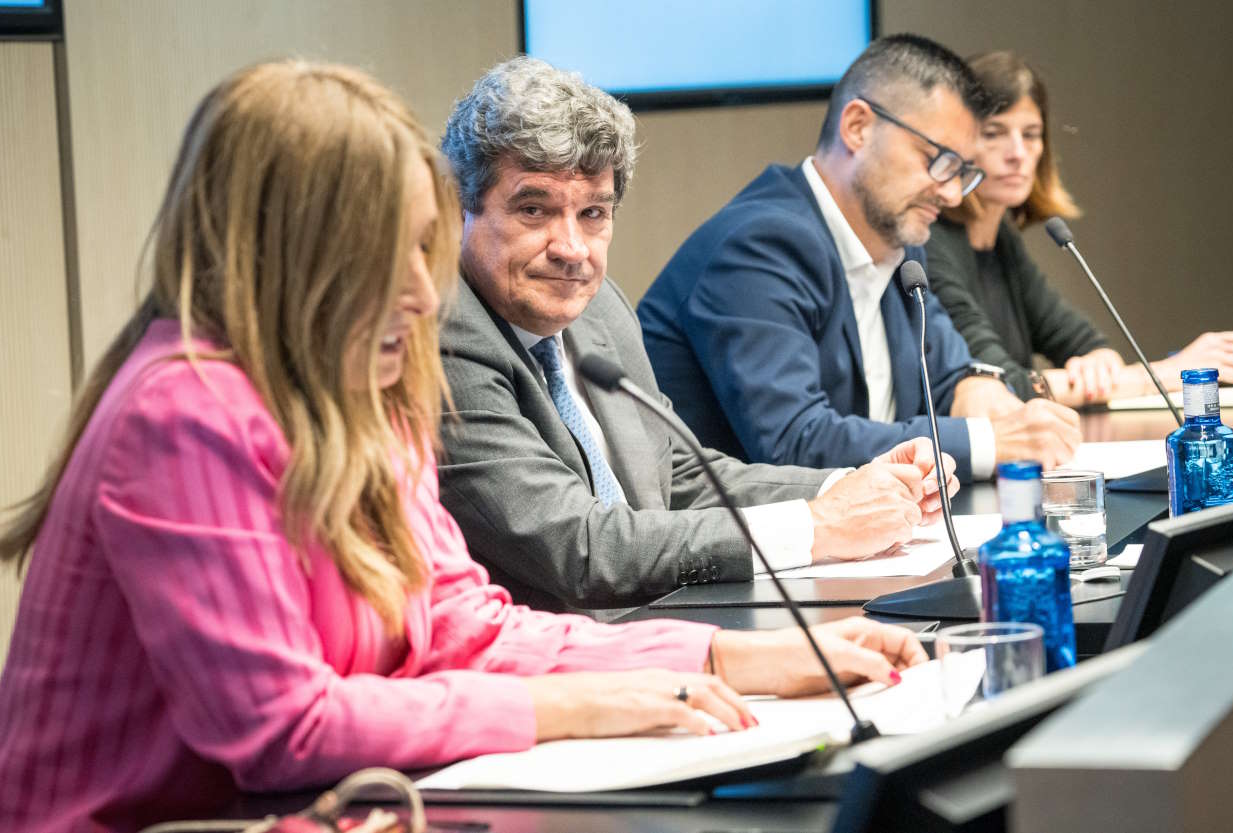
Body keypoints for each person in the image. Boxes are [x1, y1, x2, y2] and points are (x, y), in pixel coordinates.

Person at [0, 61, 927, 833]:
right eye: (389, 255)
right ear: (285, 253)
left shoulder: (366, 380)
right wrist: (564, 706)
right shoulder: (183, 411)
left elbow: (464, 625)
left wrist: (721, 662)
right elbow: (279, 726)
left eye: (425, 250)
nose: (421, 290)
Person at [436, 56, 959, 614]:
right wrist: (817, 526)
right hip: (561, 665)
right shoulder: (447, 337)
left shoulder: (598, 307)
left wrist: (845, 488)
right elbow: (580, 548)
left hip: (663, 623)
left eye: (593, 213)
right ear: (460, 208)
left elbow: (675, 476)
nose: (572, 249)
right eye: (534, 209)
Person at [638, 34, 1083, 481]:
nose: (950, 194)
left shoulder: (902, 242)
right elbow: (795, 442)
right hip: (732, 541)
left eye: (961, 172)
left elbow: (947, 375)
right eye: (938, 160)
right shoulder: (759, 245)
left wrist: (975, 387)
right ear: (858, 128)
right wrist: (989, 441)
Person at [926, 50, 1233, 406]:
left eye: (1031, 134)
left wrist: (1100, 366)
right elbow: (998, 384)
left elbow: (1084, 343)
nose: (1017, 152)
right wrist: (1162, 374)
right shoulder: (929, 244)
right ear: (956, 145)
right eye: (993, 133)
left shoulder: (1002, 238)